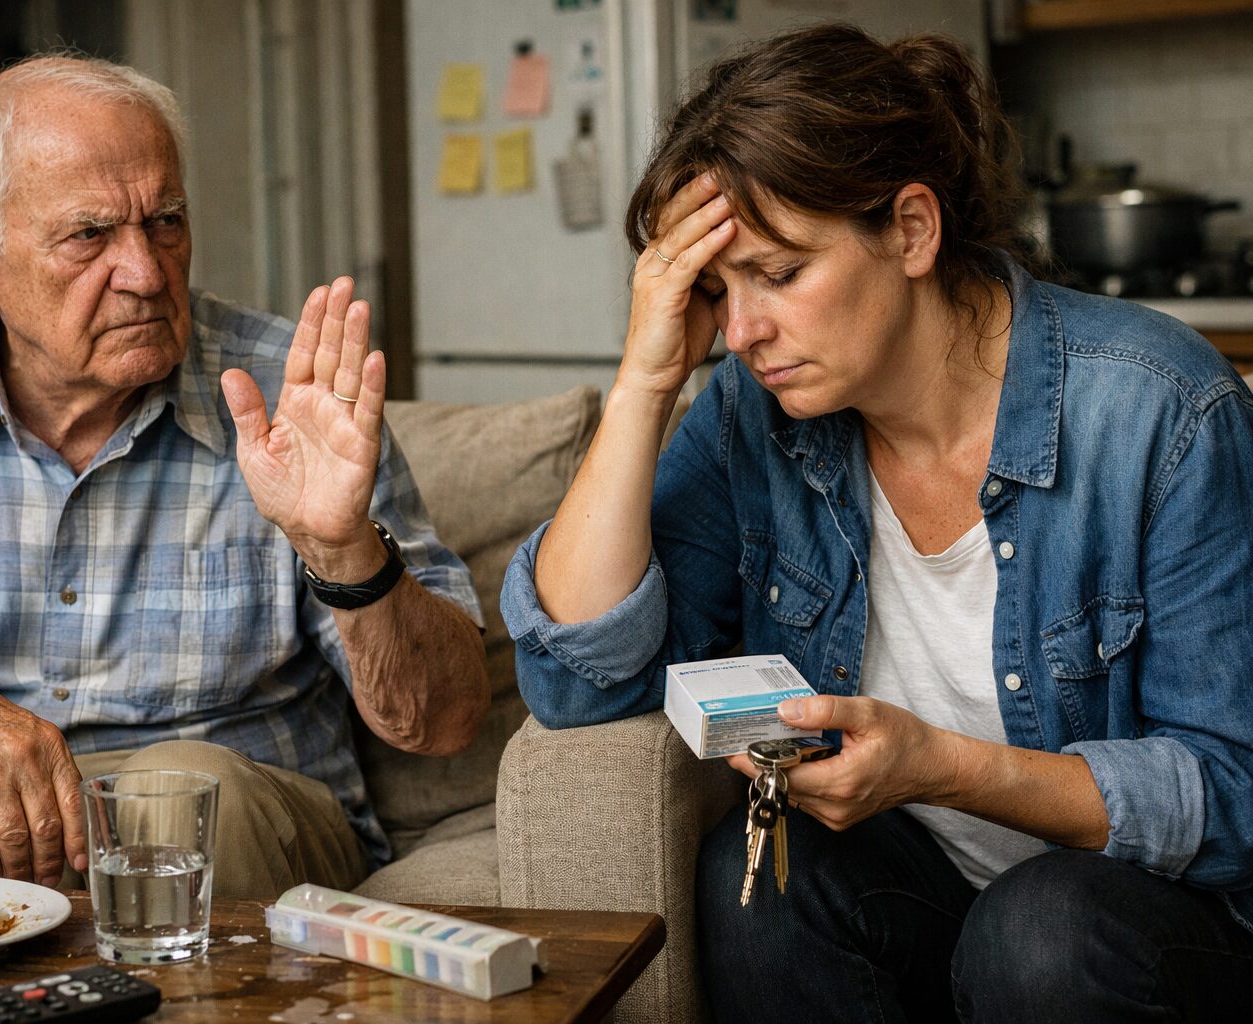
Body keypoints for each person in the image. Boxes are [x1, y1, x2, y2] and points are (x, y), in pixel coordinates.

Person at [500, 22, 1253, 1023]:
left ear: (910, 230)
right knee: (765, 868)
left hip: (1139, 928)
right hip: (927, 897)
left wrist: (945, 768)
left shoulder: (1159, 409)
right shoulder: (752, 416)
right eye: (721, 289)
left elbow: (1234, 797)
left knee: (1036, 930)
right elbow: (577, 678)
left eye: (780, 273)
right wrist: (646, 377)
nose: (742, 330)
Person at [0, 54, 488, 899]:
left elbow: (444, 722)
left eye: (165, 221)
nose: (148, 273)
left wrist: (342, 548)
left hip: (229, 822)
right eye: (89, 236)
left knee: (187, 792)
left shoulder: (290, 395)